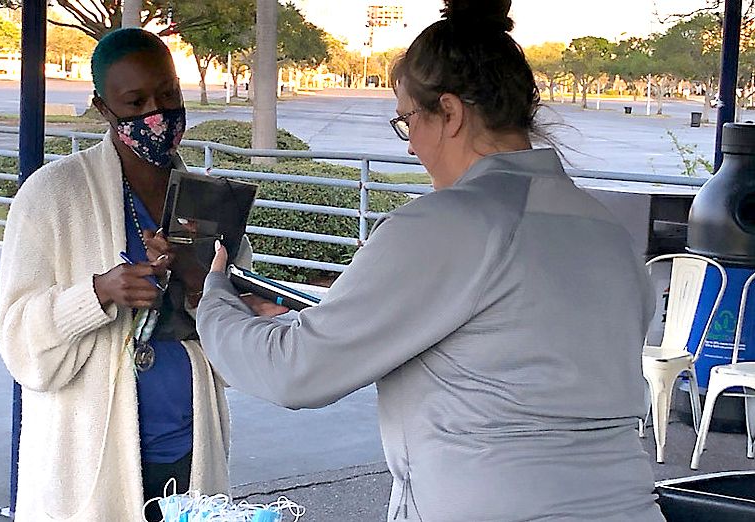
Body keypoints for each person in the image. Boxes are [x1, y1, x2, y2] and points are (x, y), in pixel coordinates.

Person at [195, 1, 665, 520]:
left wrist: (214, 299)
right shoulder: (606, 230)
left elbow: (295, 371)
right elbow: (506, 350)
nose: (411, 143)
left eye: (407, 120)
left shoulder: (452, 222)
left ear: (451, 113)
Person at [0, 28, 251, 521]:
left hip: (189, 450)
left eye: (168, 95)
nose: (156, 112)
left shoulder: (212, 201)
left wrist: (201, 283)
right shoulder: (51, 195)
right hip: (86, 461)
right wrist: (98, 293)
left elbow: (240, 335)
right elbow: (18, 340)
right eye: (135, 101)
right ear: (102, 107)